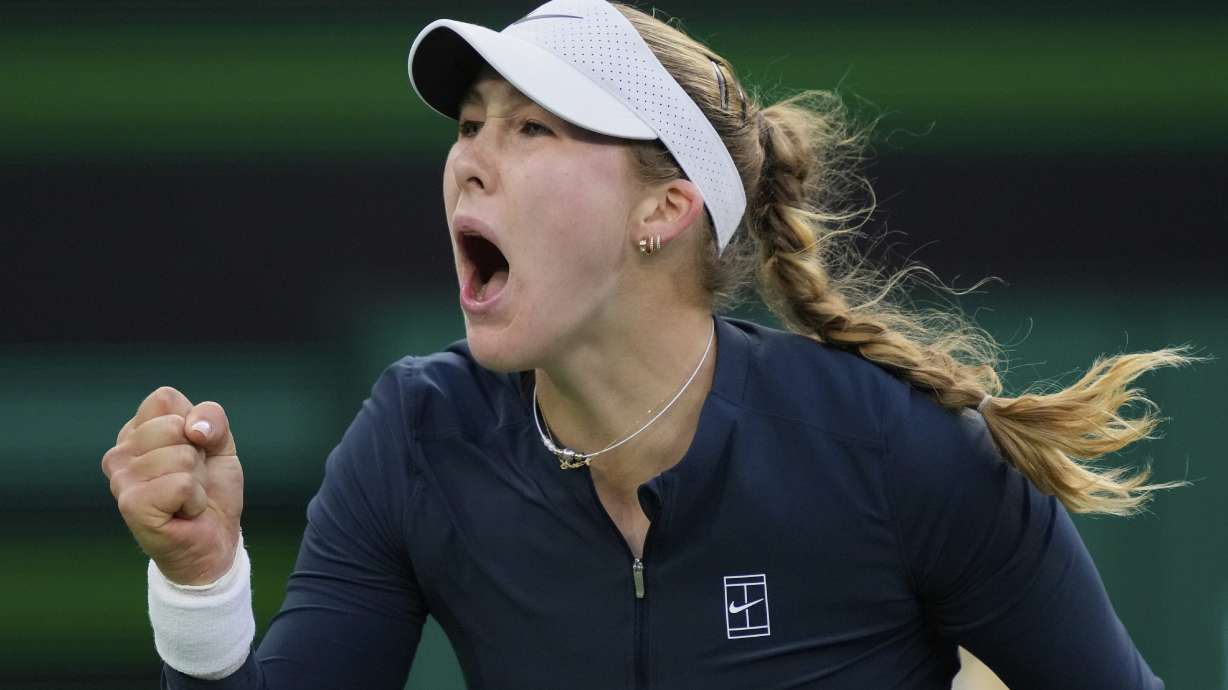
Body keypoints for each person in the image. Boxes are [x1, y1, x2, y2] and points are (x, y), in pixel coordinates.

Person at [99, 1, 1200, 688]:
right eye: (470, 125)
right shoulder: (417, 437)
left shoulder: (896, 452)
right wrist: (201, 585)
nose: (472, 159)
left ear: (663, 210)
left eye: (530, 128)